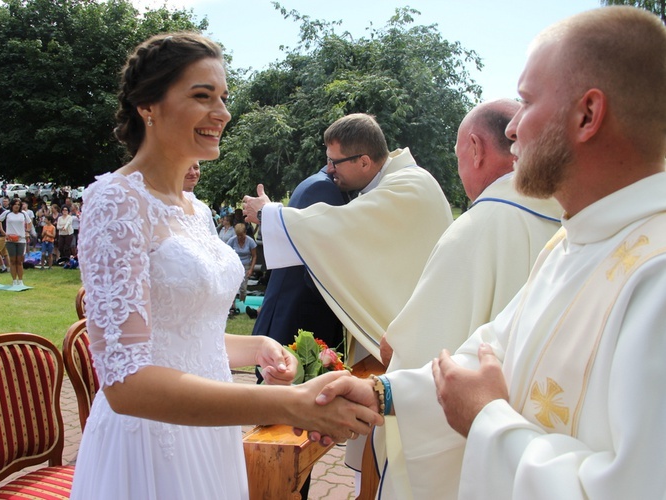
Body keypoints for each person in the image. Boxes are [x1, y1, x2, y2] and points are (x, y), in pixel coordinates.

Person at [312, 7, 666, 499]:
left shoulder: (656, 275)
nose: (515, 127)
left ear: (588, 114)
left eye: (526, 101)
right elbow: (484, 358)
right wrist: (382, 393)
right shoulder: (571, 242)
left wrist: (487, 420)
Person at [70, 32, 380, 500]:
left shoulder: (193, 209)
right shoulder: (115, 202)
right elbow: (127, 382)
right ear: (148, 105)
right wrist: (289, 403)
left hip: (209, 431)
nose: (222, 113)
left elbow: (179, 332)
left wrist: (254, 347)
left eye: (223, 98)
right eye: (201, 96)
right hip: (150, 443)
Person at [243, 113, 453, 360]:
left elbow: (338, 227)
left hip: (415, 333)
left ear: (364, 162)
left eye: (335, 162)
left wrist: (267, 214)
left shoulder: (407, 185)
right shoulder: (402, 182)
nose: (329, 170)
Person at [381, 99, 563, 371]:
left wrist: (394, 346)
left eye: (458, 155)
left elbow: (416, 356)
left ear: (476, 149)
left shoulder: (475, 229)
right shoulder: (570, 222)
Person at [251, 165, 347, 356]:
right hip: (299, 319)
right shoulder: (323, 189)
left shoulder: (317, 183)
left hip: (290, 315)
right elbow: (317, 258)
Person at [0, 198, 31, 287]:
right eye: (15, 204)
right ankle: (14, 280)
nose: (17, 206)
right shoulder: (7, 213)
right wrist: (3, 232)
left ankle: (20, 280)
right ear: (12, 205)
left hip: (21, 239)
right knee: (12, 260)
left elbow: (29, 222)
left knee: (19, 261)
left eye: (18, 204)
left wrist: (27, 231)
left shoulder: (23, 214)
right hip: (10, 239)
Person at [226, 222, 257, 305]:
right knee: (233, 286)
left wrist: (251, 269)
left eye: (241, 235)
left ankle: (242, 303)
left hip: (245, 265)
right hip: (234, 265)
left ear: (245, 233)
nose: (240, 237)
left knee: (243, 287)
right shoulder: (232, 241)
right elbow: (226, 253)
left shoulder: (250, 241)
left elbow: (254, 256)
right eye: (238, 235)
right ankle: (232, 305)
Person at [183, 161, 217, 235]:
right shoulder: (165, 207)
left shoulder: (204, 209)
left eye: (196, 168)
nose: (192, 173)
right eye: (187, 167)